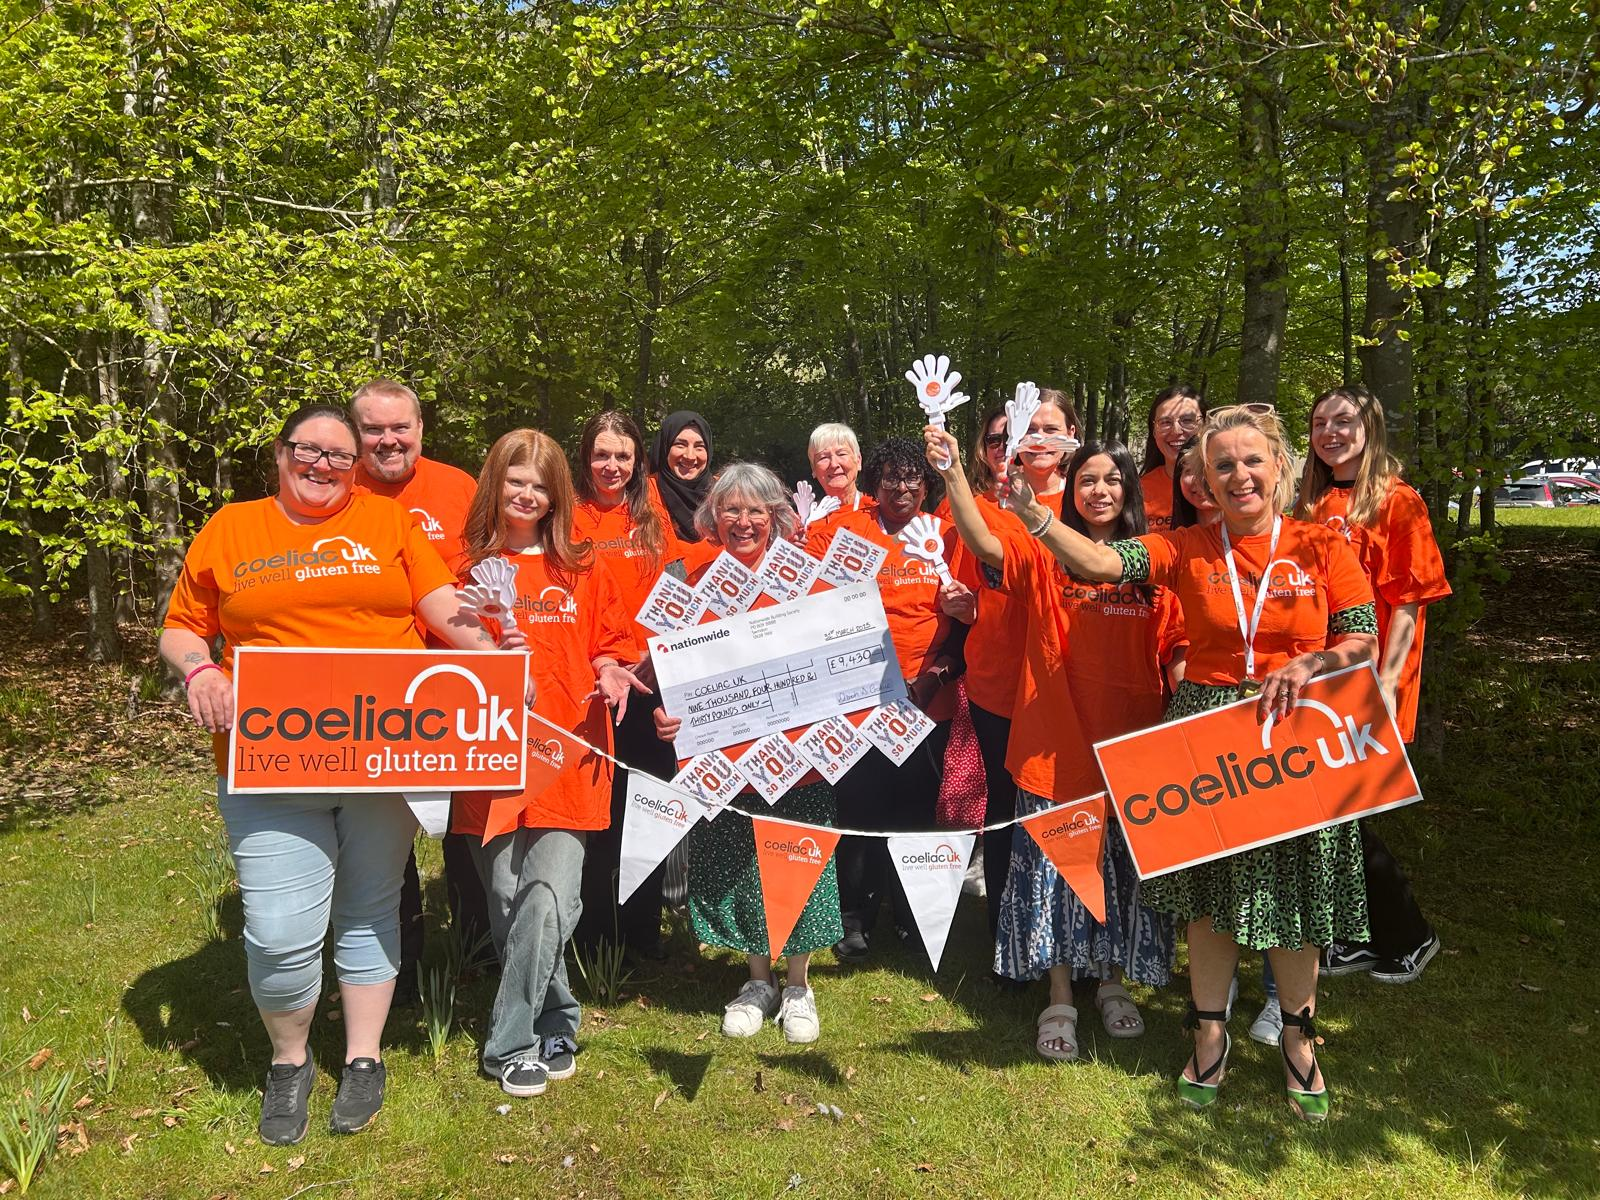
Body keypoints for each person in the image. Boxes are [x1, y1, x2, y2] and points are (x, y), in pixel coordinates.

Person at [993, 403, 1378, 1120]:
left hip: (1300, 732)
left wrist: (1315, 662)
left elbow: (1363, 637)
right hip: (1207, 732)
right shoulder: (1186, 546)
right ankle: (1209, 1034)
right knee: (1210, 897)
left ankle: (1300, 1041)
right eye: (1222, 464)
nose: (1238, 475)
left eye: (1252, 460)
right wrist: (1039, 521)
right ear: (1203, 477)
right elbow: (1106, 564)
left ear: (1280, 468)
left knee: (1293, 898)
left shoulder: (1323, 545)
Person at [159, 403, 508, 1144]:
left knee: (372, 905)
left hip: (381, 751)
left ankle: (362, 1056)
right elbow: (184, 625)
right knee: (280, 931)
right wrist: (200, 673)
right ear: (280, 454)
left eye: (338, 457)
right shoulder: (231, 527)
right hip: (270, 757)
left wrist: (500, 664)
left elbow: (442, 605)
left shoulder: (389, 524)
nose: (322, 465)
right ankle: (290, 1061)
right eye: (307, 451)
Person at [930, 431, 1182, 1061]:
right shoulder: (1042, 554)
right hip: (1052, 746)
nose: (1099, 491)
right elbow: (983, 541)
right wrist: (955, 472)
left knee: (1119, 875)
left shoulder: (1154, 557)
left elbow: (1177, 645)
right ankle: (1060, 994)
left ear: (1128, 491)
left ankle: (1114, 983)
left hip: (1131, 747)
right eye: (1087, 480)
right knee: (1053, 874)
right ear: (1070, 490)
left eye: (1112, 480)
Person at [451, 430, 642, 1097]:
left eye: (540, 484)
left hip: (570, 756)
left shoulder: (584, 565)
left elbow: (612, 644)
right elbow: (434, 652)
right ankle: (559, 1015)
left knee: (551, 896)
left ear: (556, 494)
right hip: (489, 761)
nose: (527, 494)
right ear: (495, 485)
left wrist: (613, 670)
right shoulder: (464, 569)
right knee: (509, 903)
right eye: (515, 481)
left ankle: (508, 1045)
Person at [654, 464, 840, 1043]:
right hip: (725, 759)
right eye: (731, 509)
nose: (744, 521)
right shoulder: (688, 578)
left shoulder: (808, 579)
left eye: (757, 510)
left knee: (799, 858)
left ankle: (799, 984)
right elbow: (669, 667)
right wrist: (668, 716)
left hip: (800, 753)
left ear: (776, 517)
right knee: (740, 862)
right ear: (712, 517)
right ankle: (757, 979)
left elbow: (842, 655)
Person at [1298, 384, 1450, 984]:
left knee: (1348, 816)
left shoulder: (1397, 501)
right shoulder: (1311, 503)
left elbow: (1411, 602)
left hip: (1373, 679)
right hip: (1323, 676)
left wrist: (1387, 682)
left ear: (1371, 427)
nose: (1330, 432)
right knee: (1326, 814)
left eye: (1343, 421)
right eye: (1318, 423)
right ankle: (1356, 937)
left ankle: (1411, 935)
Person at [804, 437, 970, 964]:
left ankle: (911, 914)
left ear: (927, 485)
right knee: (860, 808)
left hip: (927, 701)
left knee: (916, 811)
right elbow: (802, 595)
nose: (903, 487)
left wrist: (933, 680)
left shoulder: (944, 535)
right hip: (858, 703)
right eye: (892, 478)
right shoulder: (843, 530)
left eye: (914, 479)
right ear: (872, 483)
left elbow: (970, 629)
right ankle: (853, 914)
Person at [349, 378, 489, 994]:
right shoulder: (336, 491)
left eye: (399, 427)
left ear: (420, 429)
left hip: (458, 683)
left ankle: (478, 950)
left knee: (466, 825)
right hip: (372, 694)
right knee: (383, 835)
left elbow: (495, 569)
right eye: (374, 429)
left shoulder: (459, 486)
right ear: (356, 436)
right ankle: (395, 967)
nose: (388, 440)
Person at [938, 394, 1079, 939]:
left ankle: (1065, 931)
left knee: (1061, 804)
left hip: (1064, 680)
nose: (1038, 440)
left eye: (1051, 428)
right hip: (1000, 678)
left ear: (1071, 434)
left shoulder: (1088, 496)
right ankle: (1005, 933)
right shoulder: (986, 505)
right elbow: (975, 570)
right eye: (1028, 430)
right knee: (1000, 810)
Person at [571, 410, 683, 962]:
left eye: (623, 456)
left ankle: (643, 934)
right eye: (601, 454)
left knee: (649, 810)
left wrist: (655, 656)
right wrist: (605, 660)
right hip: (594, 685)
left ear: (639, 463)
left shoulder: (653, 515)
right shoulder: (567, 518)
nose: (611, 466)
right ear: (585, 458)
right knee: (597, 813)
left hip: (651, 682)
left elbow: (679, 592)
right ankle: (592, 935)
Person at [1139, 385, 1206, 534]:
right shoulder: (1138, 490)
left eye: (1187, 420)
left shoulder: (1222, 483)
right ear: (1154, 431)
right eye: (1165, 422)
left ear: (1205, 425)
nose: (1176, 431)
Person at [648, 410, 715, 546]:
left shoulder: (725, 494)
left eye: (699, 447)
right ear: (665, 447)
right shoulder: (642, 495)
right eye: (680, 445)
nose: (690, 456)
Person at [806, 422, 874, 520]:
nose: (833, 464)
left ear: (858, 461)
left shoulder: (881, 513)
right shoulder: (807, 519)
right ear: (813, 469)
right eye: (823, 457)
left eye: (841, 454)